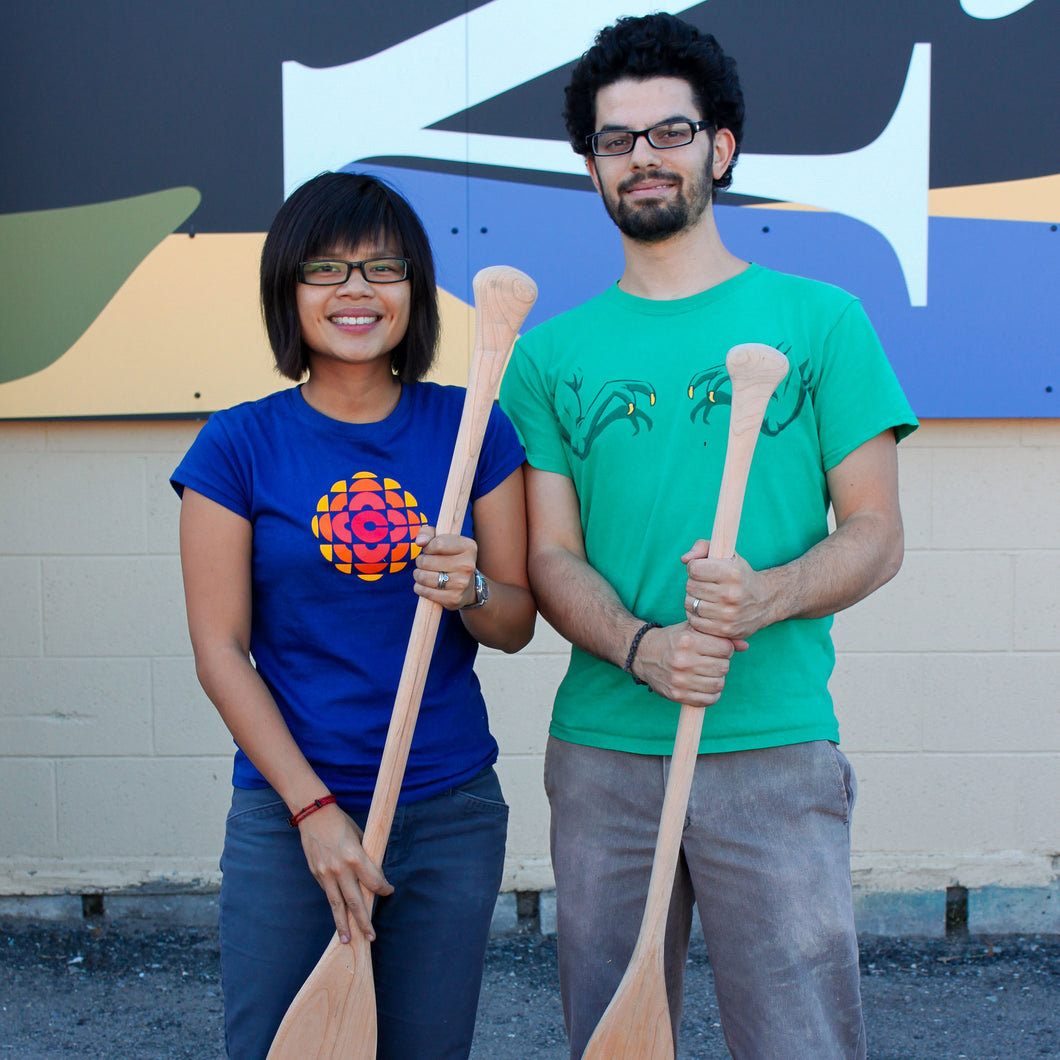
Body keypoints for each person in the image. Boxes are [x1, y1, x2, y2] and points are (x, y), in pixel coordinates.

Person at [499, 13, 917, 1060]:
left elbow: (875, 531)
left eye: (669, 132)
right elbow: (548, 555)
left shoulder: (822, 321)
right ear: (590, 166)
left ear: (720, 146)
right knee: (609, 1034)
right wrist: (644, 646)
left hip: (771, 740)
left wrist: (762, 597)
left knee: (800, 1040)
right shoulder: (548, 355)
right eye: (615, 139)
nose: (642, 157)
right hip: (601, 750)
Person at [172, 171, 535, 1060]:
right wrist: (313, 813)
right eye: (326, 270)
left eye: (384, 270)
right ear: (287, 290)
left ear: (415, 290)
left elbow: (516, 622)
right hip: (291, 816)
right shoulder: (237, 444)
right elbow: (221, 652)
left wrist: (475, 591)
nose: (357, 292)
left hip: (447, 809)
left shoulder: (474, 426)